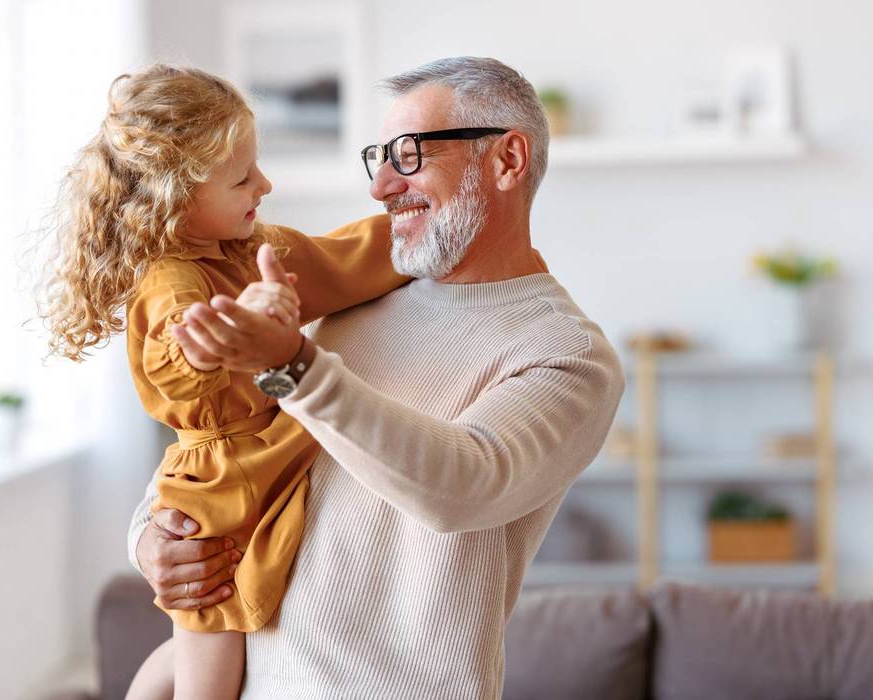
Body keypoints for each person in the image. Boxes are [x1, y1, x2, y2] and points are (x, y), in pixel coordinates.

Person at [128, 56, 626, 697]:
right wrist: (151, 539)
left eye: (411, 154)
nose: (382, 186)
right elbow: (227, 445)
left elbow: (461, 486)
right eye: (379, 157)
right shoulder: (344, 304)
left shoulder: (566, 354)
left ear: (507, 161)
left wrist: (291, 363)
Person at [35, 64, 407, 699]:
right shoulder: (172, 280)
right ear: (176, 197)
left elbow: (341, 260)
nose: (264, 184)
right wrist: (238, 329)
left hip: (268, 449)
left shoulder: (253, 250)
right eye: (242, 178)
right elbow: (179, 363)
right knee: (210, 656)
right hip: (218, 489)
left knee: (199, 657)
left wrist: (419, 231)